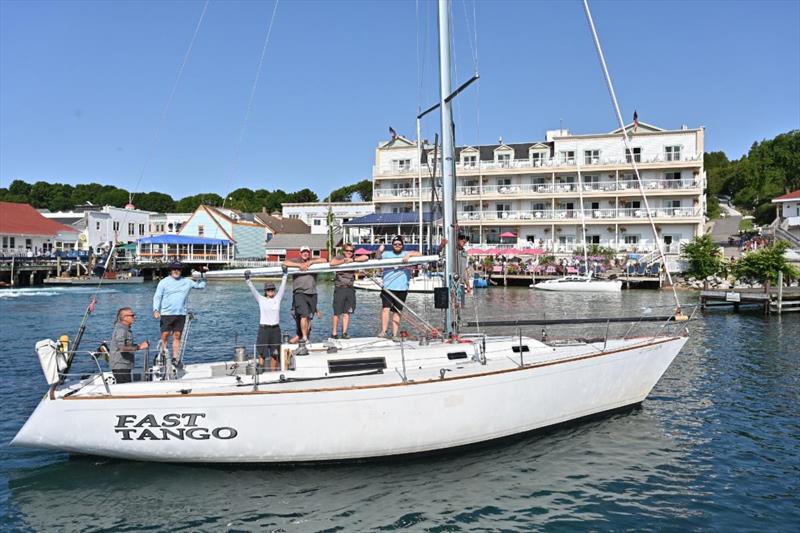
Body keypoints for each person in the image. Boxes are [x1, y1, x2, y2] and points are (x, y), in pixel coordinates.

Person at [152, 261, 206, 366]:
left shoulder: (187, 281)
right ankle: (162, 356)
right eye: (174, 269)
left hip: (181, 313)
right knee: (165, 335)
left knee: (177, 336)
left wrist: (203, 275)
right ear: (170, 270)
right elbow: (157, 297)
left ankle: (175, 358)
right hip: (166, 313)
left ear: (181, 270)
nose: (176, 271)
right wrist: (155, 310)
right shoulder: (163, 282)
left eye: (179, 269)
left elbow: (201, 286)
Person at [375, 236, 421, 340]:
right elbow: (377, 257)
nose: (397, 246)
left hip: (402, 288)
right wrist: (379, 250)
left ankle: (395, 334)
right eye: (395, 244)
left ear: (402, 245)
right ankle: (384, 331)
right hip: (388, 287)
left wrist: (409, 255)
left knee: (397, 311)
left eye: (399, 244)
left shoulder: (406, 254)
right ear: (392, 245)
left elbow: (420, 254)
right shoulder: (386, 254)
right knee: (385, 309)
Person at [283, 246, 326, 354]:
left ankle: (301, 339)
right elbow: (285, 263)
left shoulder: (312, 261)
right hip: (299, 292)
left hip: (312, 293)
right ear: (300, 253)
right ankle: (305, 338)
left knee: (309, 319)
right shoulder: (296, 260)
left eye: (307, 252)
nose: (305, 253)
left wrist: (310, 263)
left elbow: (324, 260)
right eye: (303, 252)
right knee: (303, 315)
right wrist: (299, 265)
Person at [245, 268, 288, 370]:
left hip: (275, 330)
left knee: (274, 354)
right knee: (262, 353)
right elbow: (252, 289)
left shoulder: (278, 299)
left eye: (272, 289)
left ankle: (273, 374)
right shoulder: (261, 299)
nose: (270, 291)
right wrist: (247, 279)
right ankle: (261, 372)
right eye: (268, 289)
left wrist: (285, 274)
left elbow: (283, 286)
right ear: (265, 291)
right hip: (264, 329)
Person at [329, 244, 368, 339]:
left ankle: (344, 332)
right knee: (337, 312)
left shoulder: (354, 258)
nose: (349, 252)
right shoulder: (340, 257)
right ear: (343, 251)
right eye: (347, 250)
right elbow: (332, 262)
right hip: (340, 288)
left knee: (347, 312)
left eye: (351, 251)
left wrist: (353, 260)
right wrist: (343, 261)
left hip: (350, 288)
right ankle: (334, 333)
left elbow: (366, 257)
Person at [109, 307, 149, 384]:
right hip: (120, 365)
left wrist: (138, 345)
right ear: (124, 317)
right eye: (132, 315)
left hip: (125, 364)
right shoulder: (121, 330)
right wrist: (139, 347)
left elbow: (126, 345)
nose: (134, 317)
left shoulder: (125, 329)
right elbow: (121, 348)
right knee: (124, 387)